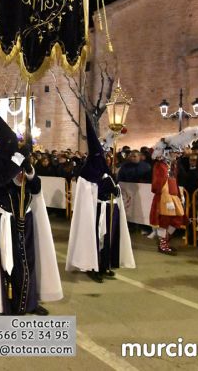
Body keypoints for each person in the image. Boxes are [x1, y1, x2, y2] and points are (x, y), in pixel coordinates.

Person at [0, 93, 62, 316]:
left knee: (28, 262)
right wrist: (18, 160)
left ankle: (29, 302)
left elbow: (35, 190)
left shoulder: (20, 159)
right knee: (8, 263)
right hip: (5, 220)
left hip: (25, 218)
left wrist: (31, 172)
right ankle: (6, 303)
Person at [66, 115, 135, 283]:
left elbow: (112, 184)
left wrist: (114, 188)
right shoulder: (86, 173)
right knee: (95, 238)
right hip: (95, 210)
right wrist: (103, 185)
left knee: (108, 238)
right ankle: (92, 266)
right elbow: (88, 190)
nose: (101, 159)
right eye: (97, 156)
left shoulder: (105, 169)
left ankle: (105, 265)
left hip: (110, 207)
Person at [150, 125, 198, 254]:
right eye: (174, 152)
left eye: (177, 152)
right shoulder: (160, 165)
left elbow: (178, 179)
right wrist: (163, 195)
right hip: (164, 195)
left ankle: (165, 241)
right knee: (164, 221)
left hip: (174, 194)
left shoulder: (173, 164)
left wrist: (179, 194)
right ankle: (163, 244)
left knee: (178, 220)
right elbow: (157, 183)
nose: (177, 154)